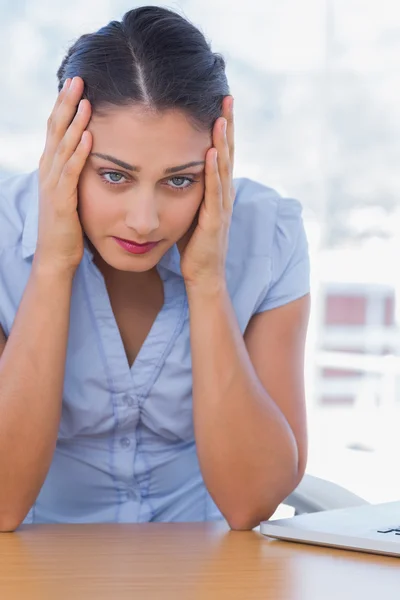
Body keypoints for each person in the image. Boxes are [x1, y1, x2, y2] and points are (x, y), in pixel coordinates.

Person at [0, 5, 310, 531]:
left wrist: (207, 281)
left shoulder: (268, 233)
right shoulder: (7, 235)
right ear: (62, 146)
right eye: (115, 177)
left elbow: (251, 502)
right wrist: (53, 262)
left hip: (211, 571)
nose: (144, 222)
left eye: (181, 180)